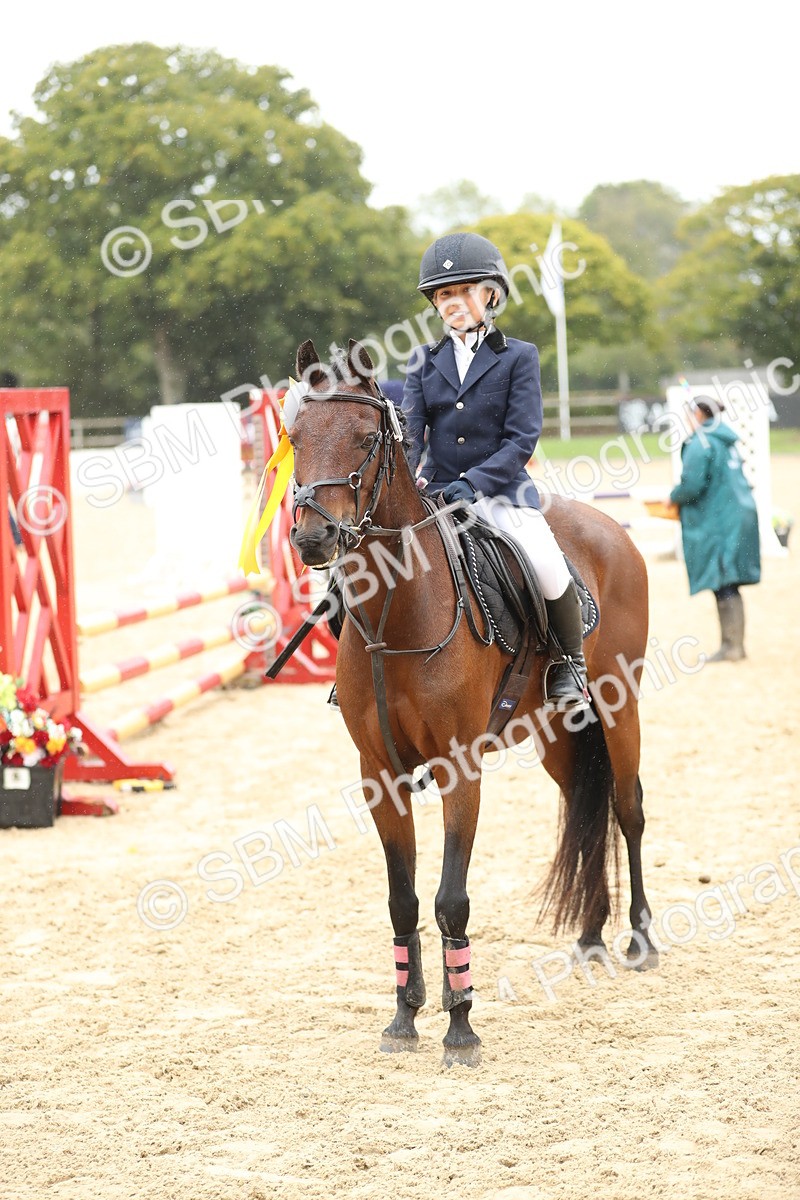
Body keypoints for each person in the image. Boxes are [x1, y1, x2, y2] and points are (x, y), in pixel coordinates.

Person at [401, 232, 589, 711]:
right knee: (378, 561)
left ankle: (570, 663)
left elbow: (522, 438)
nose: (454, 302)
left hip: (501, 492)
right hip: (437, 494)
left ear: (491, 295)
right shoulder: (423, 361)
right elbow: (411, 433)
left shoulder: (519, 356)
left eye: (465, 291)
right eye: (445, 293)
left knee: (545, 562)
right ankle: (363, 667)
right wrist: (406, 479)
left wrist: (474, 483)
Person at [669, 396, 760, 661]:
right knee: (728, 581)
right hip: (737, 515)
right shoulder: (725, 440)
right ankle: (733, 645)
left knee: (724, 581)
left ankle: (732, 647)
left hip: (721, 520)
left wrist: (673, 497)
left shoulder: (701, 443)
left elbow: (692, 485)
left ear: (698, 414)